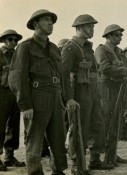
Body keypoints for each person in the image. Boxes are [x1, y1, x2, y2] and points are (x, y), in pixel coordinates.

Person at [8, 9, 67, 175]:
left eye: (52, 21)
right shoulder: (25, 47)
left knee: (58, 137)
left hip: (55, 97)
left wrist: (64, 99)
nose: (50, 23)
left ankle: (58, 170)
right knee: (34, 139)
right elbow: (17, 77)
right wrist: (25, 105)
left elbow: (61, 76)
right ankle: (35, 172)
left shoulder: (55, 48)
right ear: (35, 24)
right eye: (46, 20)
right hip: (37, 97)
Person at [61, 14, 114, 173]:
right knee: (79, 127)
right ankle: (77, 164)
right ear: (79, 28)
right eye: (89, 26)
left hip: (93, 91)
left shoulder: (88, 48)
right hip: (79, 92)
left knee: (97, 124)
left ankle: (94, 160)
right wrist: (69, 98)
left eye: (92, 27)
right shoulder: (70, 48)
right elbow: (63, 74)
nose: (92, 30)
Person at [95, 24, 127, 166]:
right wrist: (124, 71)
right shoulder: (101, 50)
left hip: (118, 90)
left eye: (121, 35)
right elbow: (104, 68)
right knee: (107, 123)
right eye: (117, 35)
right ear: (109, 36)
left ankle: (112, 154)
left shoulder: (118, 51)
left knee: (116, 122)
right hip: (107, 90)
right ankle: (104, 156)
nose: (120, 37)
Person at [0, 29, 25, 171]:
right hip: (1, 94)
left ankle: (9, 156)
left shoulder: (18, 56)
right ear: (4, 40)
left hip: (15, 94)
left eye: (16, 40)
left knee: (14, 125)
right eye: (10, 40)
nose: (14, 43)